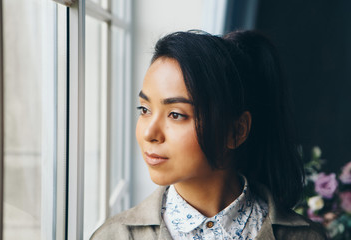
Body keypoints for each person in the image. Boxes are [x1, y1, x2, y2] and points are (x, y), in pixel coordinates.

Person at [91, 30, 327, 240]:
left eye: (175, 114)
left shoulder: (304, 236)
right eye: (144, 110)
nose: (149, 133)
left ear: (236, 131)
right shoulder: (115, 235)